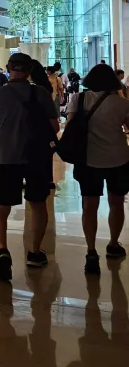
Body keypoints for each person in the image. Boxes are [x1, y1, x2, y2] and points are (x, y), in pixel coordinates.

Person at [0, 53, 60, 280]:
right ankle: (34, 253)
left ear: (8, 69)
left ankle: (3, 251)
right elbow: (54, 127)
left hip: (4, 156)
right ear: (29, 71)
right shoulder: (41, 93)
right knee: (38, 205)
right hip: (36, 157)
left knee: (0, 207)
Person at [65, 64, 129, 274]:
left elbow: (72, 127)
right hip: (118, 158)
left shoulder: (79, 99)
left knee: (89, 206)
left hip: (88, 159)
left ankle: (91, 251)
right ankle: (113, 244)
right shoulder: (121, 103)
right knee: (116, 203)